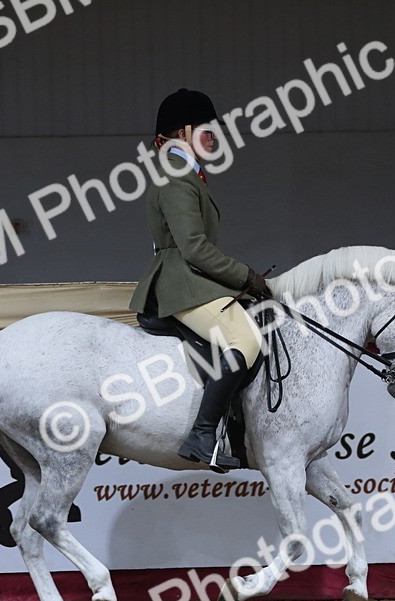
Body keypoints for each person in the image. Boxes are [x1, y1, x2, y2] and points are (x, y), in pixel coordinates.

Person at [130, 88, 270, 472]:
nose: (214, 138)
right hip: (181, 281)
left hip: (191, 278)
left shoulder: (187, 174)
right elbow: (193, 247)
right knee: (245, 339)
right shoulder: (176, 175)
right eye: (207, 131)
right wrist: (246, 276)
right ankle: (203, 435)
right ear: (183, 133)